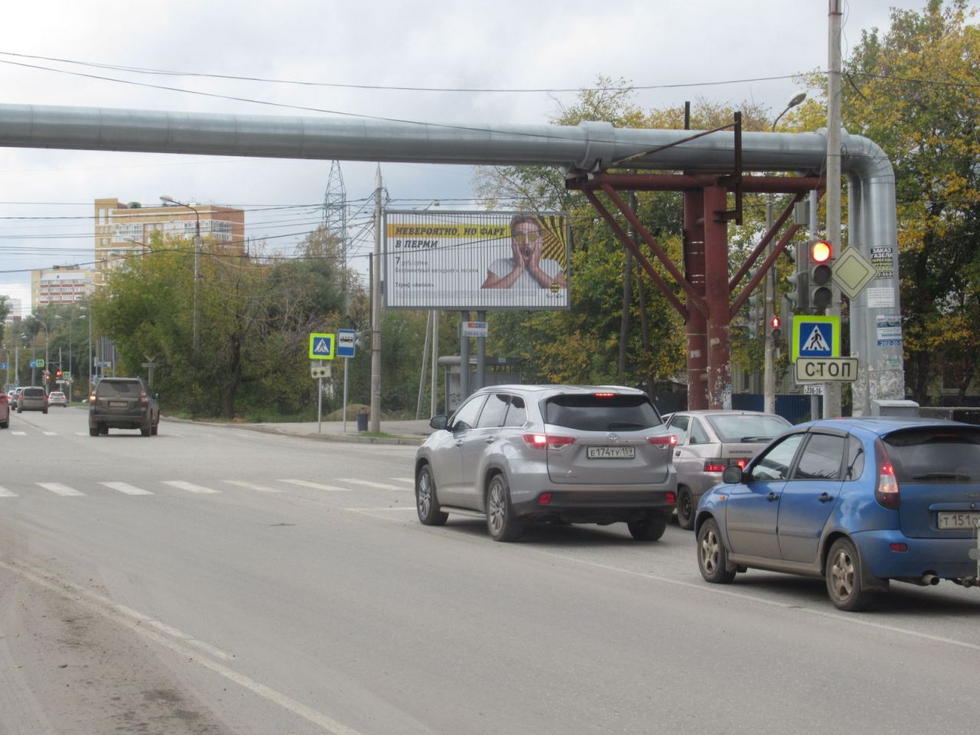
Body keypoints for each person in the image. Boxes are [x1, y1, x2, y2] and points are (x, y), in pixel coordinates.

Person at [481, 214, 567, 290]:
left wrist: (535, 269)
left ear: (540, 242)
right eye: (519, 236)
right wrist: (518, 269)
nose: (526, 242)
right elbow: (485, 293)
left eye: (532, 236)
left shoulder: (552, 265)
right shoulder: (499, 265)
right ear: (512, 241)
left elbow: (564, 293)